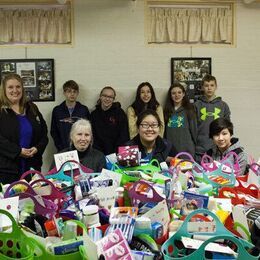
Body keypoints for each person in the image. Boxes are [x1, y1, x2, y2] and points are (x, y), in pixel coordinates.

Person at [0, 73, 48, 184]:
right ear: (4, 90)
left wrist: (37, 148)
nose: (15, 90)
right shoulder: (1, 111)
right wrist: (18, 151)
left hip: (32, 167)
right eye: (10, 87)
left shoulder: (32, 107)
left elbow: (43, 133)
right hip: (7, 170)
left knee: (31, 200)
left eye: (18, 86)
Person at [194, 74, 231, 162]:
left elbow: (227, 129)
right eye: (206, 85)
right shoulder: (196, 105)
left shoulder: (223, 105)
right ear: (202, 87)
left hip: (218, 149)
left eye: (212, 85)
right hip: (200, 149)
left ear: (216, 87)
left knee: (217, 175)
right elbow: (192, 128)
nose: (209, 88)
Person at [51, 80, 90, 151]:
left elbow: (89, 130)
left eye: (74, 91)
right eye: (69, 91)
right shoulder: (57, 110)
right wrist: (60, 146)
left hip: (81, 149)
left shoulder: (83, 110)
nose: (72, 94)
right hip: (63, 149)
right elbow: (54, 131)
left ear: (78, 93)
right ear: (64, 93)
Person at [90, 86, 129, 155]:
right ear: (100, 96)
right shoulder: (94, 115)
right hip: (98, 153)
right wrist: (98, 153)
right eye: (105, 96)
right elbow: (92, 136)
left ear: (113, 99)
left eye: (110, 97)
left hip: (116, 153)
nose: (107, 99)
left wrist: (116, 152)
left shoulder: (120, 113)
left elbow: (124, 135)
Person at [164, 83, 197, 157]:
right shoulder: (166, 111)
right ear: (170, 95)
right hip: (171, 152)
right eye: (173, 93)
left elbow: (194, 132)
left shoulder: (189, 110)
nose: (176, 95)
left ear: (183, 94)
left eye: (179, 92)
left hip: (187, 151)